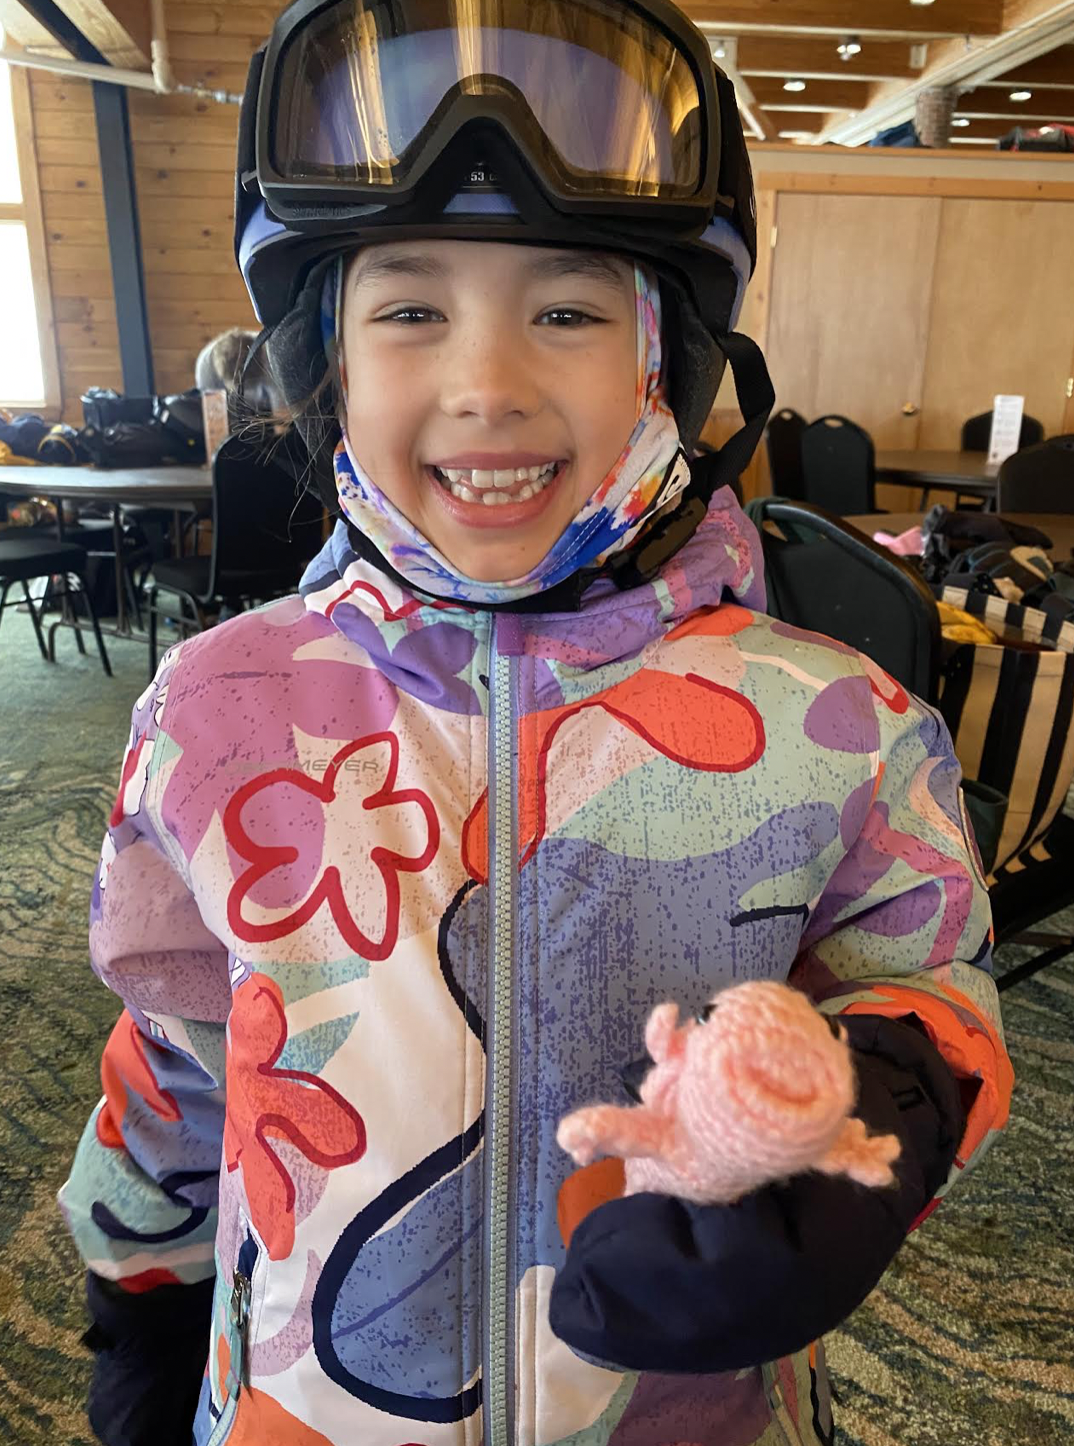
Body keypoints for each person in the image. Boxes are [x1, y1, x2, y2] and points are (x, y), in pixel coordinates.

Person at [58, 3, 1013, 1444]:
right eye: (410, 312)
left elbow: (933, 985)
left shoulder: (842, 726)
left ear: (665, 361)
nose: (487, 385)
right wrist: (136, 1291)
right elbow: (179, 1042)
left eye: (567, 312)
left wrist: (874, 1107)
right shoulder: (212, 711)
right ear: (326, 362)